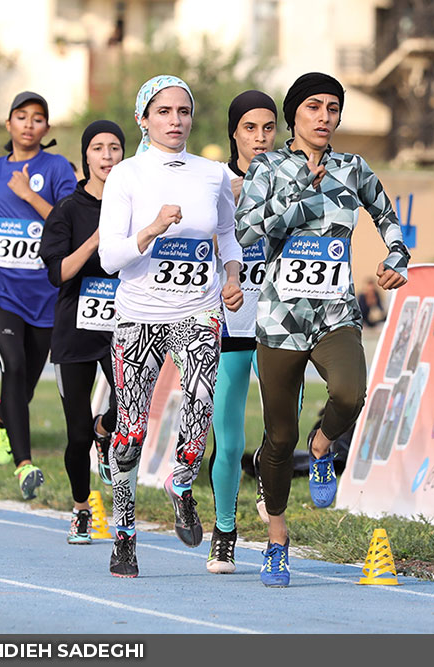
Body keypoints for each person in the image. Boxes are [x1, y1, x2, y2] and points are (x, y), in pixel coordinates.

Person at [236, 72, 410, 587]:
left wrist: (397, 255)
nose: (325, 117)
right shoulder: (267, 166)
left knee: (350, 394)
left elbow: (386, 215)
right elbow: (246, 232)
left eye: (333, 108)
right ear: (294, 115)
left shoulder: (352, 169)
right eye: (314, 107)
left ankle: (321, 446)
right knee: (277, 434)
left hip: (335, 311)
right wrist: (299, 198)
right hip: (280, 317)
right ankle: (277, 540)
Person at [98, 75, 244, 578]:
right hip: (138, 314)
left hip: (197, 310)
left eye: (183, 112)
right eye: (163, 112)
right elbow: (109, 256)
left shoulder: (212, 174)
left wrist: (231, 275)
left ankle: (181, 482)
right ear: (143, 118)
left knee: (200, 408)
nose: (175, 121)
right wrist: (152, 230)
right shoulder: (126, 176)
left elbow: (227, 233)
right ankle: (124, 536)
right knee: (131, 432)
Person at [0, 91, 77, 500]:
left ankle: (2, 415)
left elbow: (66, 221)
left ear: (47, 128)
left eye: (38, 118)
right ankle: (24, 466)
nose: (28, 124)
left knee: (23, 386)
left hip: (43, 295)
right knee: (13, 364)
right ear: (8, 125)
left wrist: (28, 195)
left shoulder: (57, 167)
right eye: (20, 117)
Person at [39, 119, 125, 544]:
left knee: (131, 409)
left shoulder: (133, 203)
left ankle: (105, 428)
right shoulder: (68, 210)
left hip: (121, 326)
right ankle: (80, 509)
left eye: (114, 148)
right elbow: (59, 273)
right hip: (75, 328)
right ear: (85, 156)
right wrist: (96, 239)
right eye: (98, 148)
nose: (107, 155)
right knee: (75, 435)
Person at [206, 90, 278, 573]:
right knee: (228, 442)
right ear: (234, 131)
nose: (259, 137)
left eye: (268, 128)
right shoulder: (214, 182)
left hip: (278, 326)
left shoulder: (294, 180)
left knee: (279, 434)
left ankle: (269, 497)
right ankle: (225, 532)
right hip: (230, 321)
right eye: (250, 128)